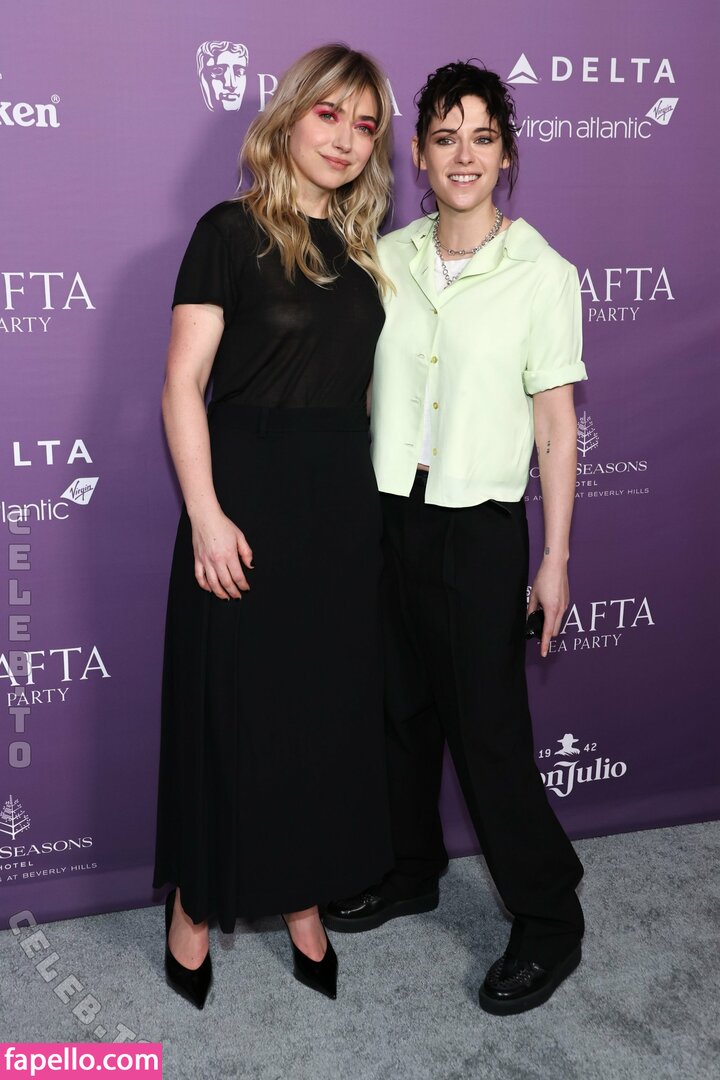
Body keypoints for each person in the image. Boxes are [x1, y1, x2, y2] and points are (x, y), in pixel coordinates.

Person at [324, 60, 588, 1015]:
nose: (463, 156)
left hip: (478, 528)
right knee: (398, 710)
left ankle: (549, 918)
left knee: (488, 734)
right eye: (445, 138)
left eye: (481, 138)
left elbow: (555, 425)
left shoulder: (543, 274)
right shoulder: (385, 257)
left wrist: (555, 559)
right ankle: (410, 870)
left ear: (505, 154)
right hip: (388, 512)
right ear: (419, 155)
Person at [153, 43, 396, 1008]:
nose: (346, 139)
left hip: (339, 505)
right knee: (230, 713)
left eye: (365, 125)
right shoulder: (228, 231)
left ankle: (303, 897)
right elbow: (182, 383)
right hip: (245, 498)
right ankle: (194, 906)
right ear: (290, 115)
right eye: (329, 115)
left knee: (318, 714)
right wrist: (206, 515)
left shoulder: (365, 251)